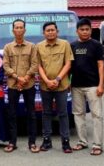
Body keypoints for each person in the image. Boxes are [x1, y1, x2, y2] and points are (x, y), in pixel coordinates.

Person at [2, 19, 40, 153]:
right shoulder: (7, 47)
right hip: (13, 85)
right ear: (13, 30)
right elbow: (5, 65)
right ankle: (12, 142)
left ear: (25, 30)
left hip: (28, 84)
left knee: (31, 114)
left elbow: (35, 64)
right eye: (16, 27)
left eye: (21, 27)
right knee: (12, 114)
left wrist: (26, 78)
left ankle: (32, 143)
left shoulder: (32, 46)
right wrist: (18, 78)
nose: (18, 30)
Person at [36, 21, 74, 153]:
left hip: (61, 85)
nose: (50, 32)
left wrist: (57, 79)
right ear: (43, 33)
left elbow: (68, 64)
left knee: (63, 114)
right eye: (48, 30)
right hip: (45, 86)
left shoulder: (65, 44)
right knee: (46, 113)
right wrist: (46, 80)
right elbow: (38, 66)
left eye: (53, 30)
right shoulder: (39, 46)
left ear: (57, 31)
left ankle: (66, 142)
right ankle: (46, 141)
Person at [70, 18, 104, 156]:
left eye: (87, 29)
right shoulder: (72, 46)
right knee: (78, 114)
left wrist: (101, 84)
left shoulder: (96, 45)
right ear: (77, 31)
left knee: (97, 115)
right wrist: (68, 82)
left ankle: (97, 145)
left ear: (91, 30)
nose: (84, 32)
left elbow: (101, 65)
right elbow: (69, 66)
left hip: (93, 86)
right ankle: (82, 142)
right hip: (76, 86)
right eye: (82, 29)